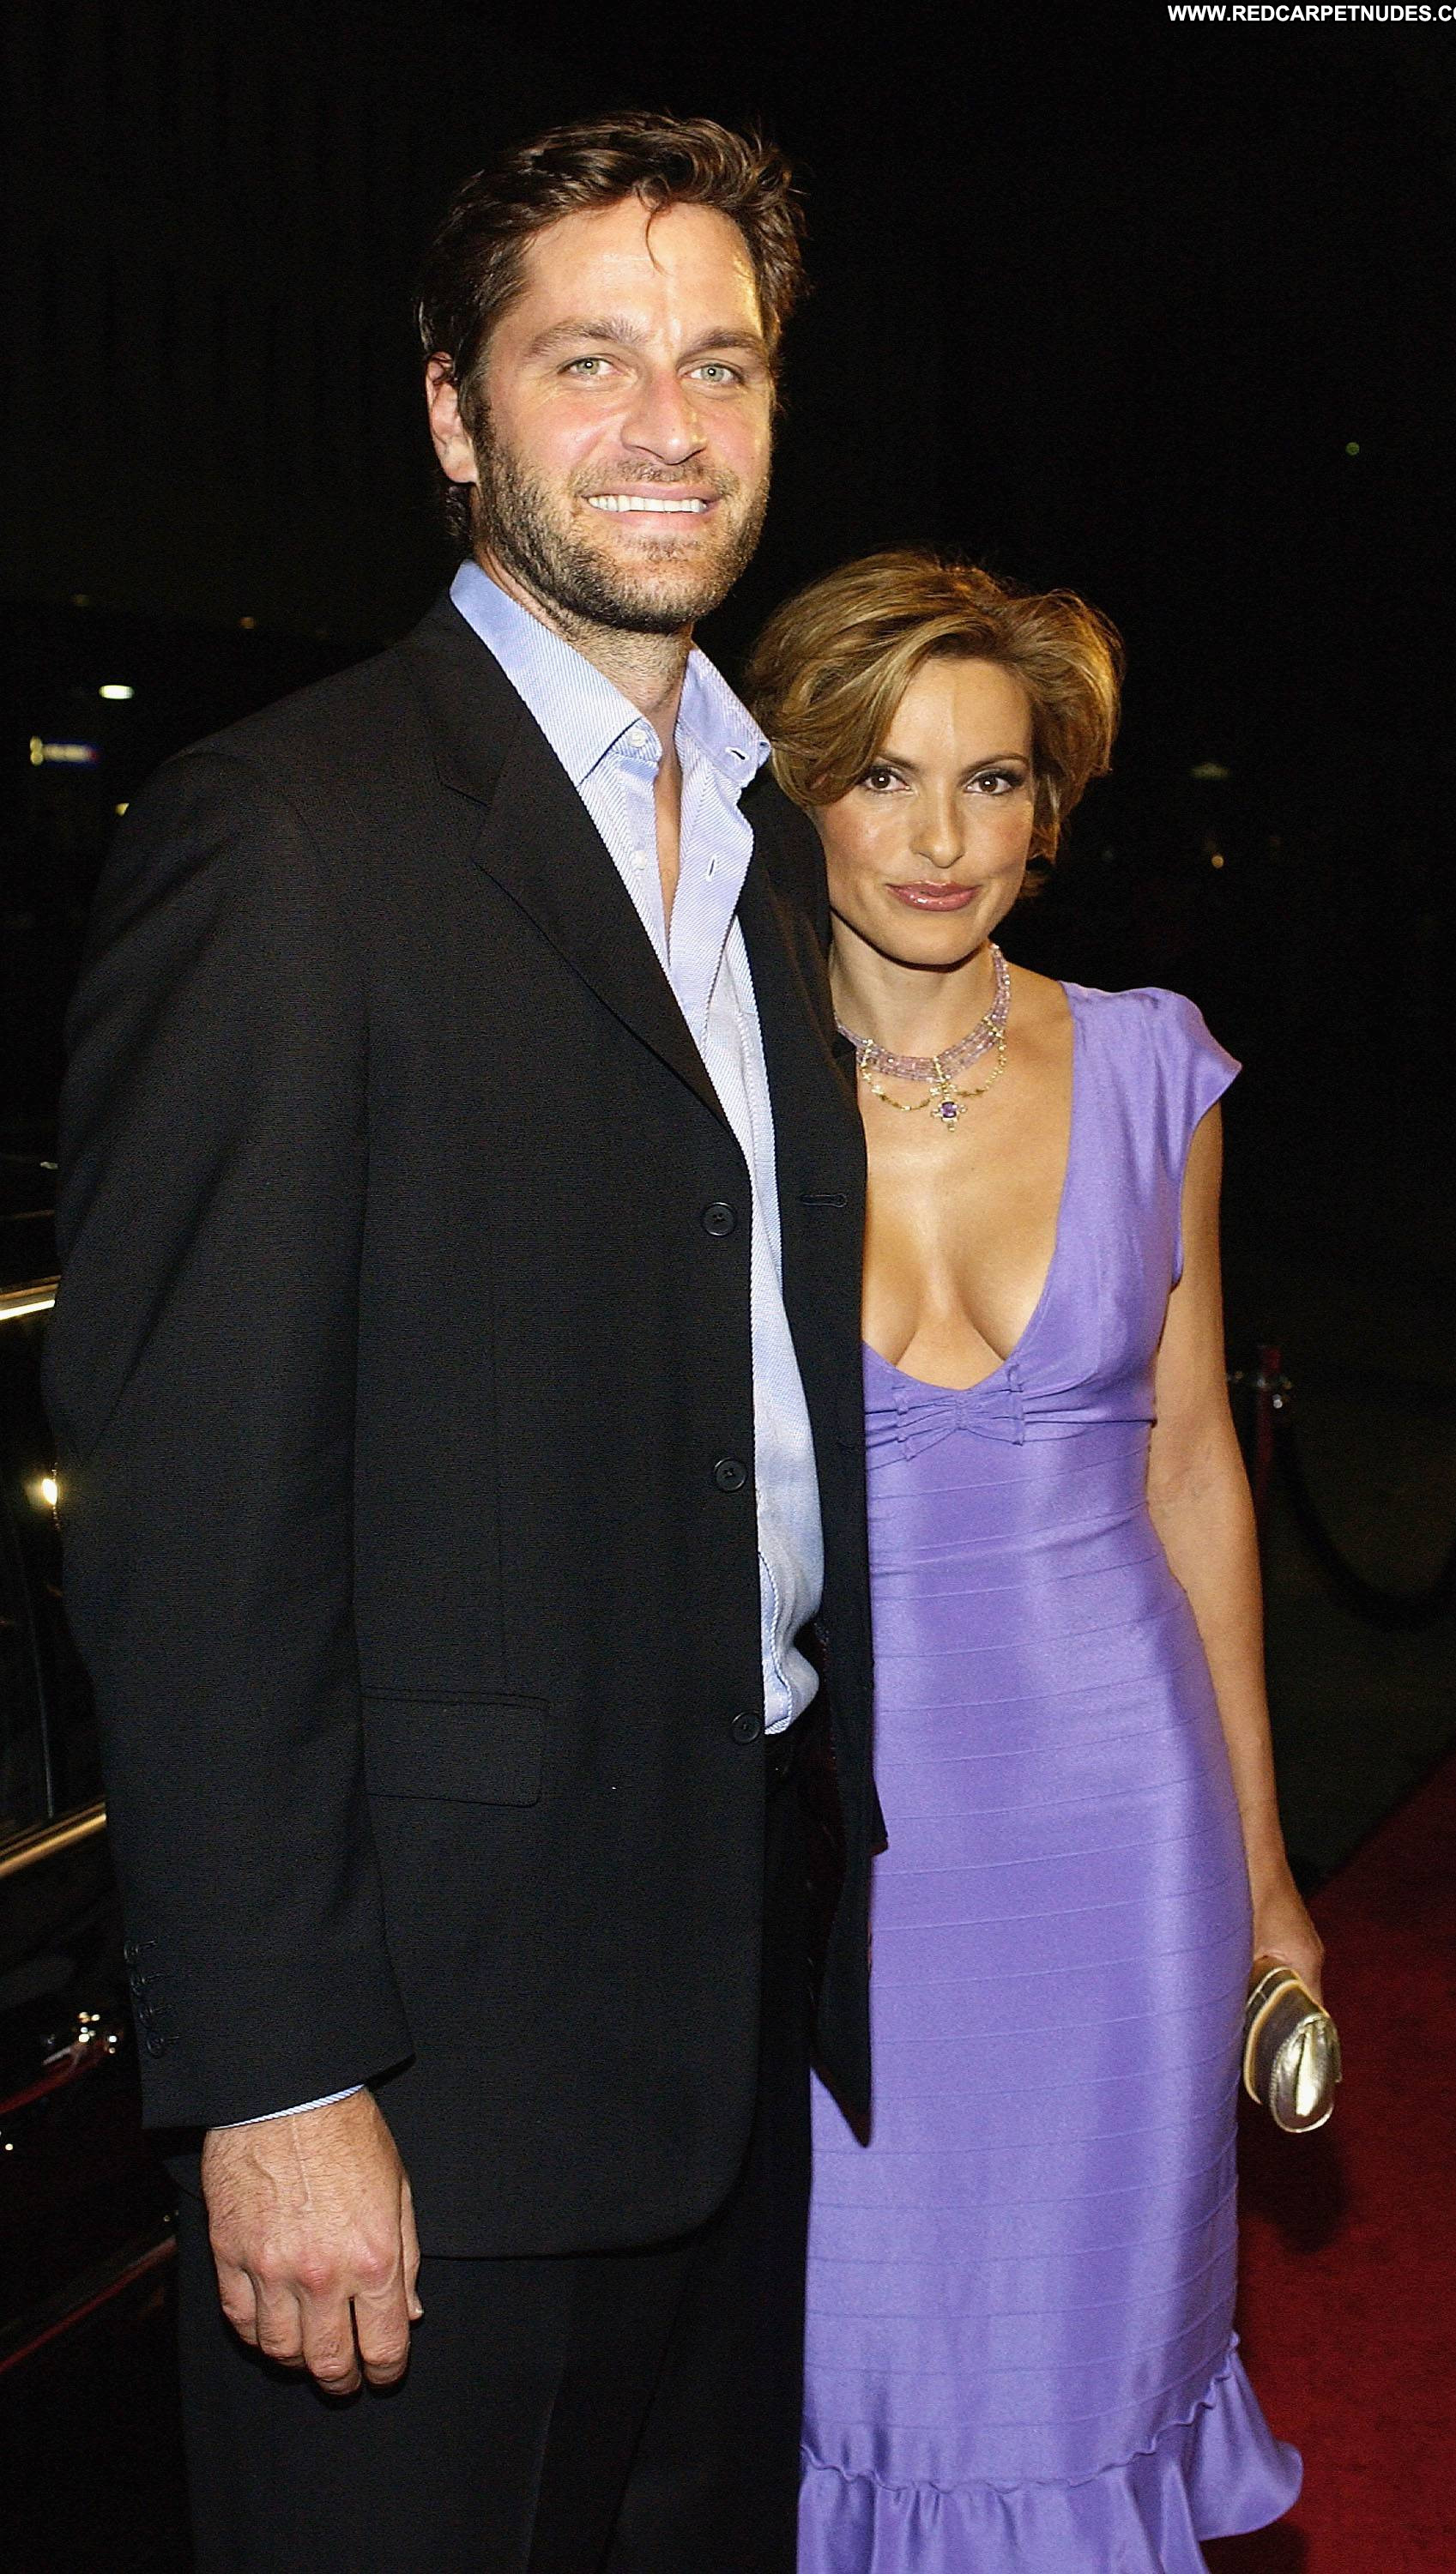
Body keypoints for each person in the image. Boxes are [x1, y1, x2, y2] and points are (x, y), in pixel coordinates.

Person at [43, 116, 876, 2574]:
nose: (666, 424)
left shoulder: (772, 848)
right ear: (451, 412)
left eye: (719, 364)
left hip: (729, 2011)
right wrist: (279, 2073)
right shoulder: (289, 837)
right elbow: (193, 1513)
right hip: (424, 2080)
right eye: (585, 359)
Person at [746, 552, 1318, 2571]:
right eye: (883, 776)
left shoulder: (1155, 1068)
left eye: (991, 782)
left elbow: (1195, 1482)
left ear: (1047, 813)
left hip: (1115, 1828)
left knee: (1080, 2373)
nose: (939, 838)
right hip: (846, 1852)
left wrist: (1264, 1876)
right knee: (863, 2377)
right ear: (798, 788)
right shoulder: (711, 1089)